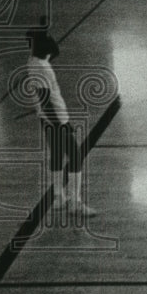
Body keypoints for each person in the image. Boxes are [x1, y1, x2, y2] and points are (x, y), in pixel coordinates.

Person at [25, 20, 96, 218]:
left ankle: (59, 197)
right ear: (41, 46)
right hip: (55, 119)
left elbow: (53, 51)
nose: (51, 46)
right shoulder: (42, 68)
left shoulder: (33, 60)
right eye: (46, 41)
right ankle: (75, 203)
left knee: (57, 156)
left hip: (47, 119)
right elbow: (46, 101)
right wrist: (61, 126)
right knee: (75, 156)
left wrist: (42, 30)